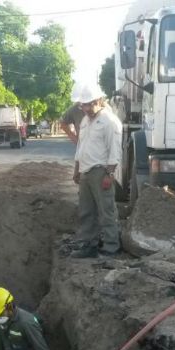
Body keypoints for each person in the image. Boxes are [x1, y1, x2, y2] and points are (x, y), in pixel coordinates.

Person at [69, 82, 123, 258]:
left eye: (88, 104)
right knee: (86, 212)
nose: (85, 108)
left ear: (99, 100)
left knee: (106, 211)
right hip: (85, 172)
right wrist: (77, 169)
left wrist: (110, 173)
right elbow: (81, 146)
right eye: (82, 104)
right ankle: (88, 245)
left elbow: (115, 150)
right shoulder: (85, 121)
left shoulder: (109, 121)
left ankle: (111, 247)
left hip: (101, 172)